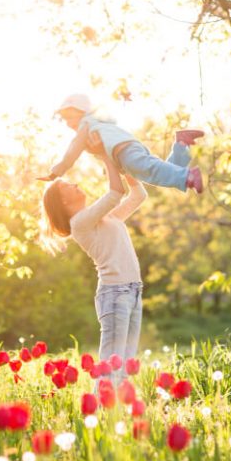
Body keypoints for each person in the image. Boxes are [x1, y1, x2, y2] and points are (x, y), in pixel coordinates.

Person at [41, 152, 146, 388]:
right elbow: (114, 193)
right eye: (68, 185)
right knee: (111, 365)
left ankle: (117, 418)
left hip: (133, 292)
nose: (75, 183)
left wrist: (124, 169)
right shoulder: (80, 224)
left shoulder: (107, 218)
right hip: (115, 294)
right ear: (63, 201)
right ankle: (100, 416)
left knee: (125, 365)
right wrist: (108, 158)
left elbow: (139, 195)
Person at [38, 93, 204, 193]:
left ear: (81, 112)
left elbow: (72, 151)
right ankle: (182, 145)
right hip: (127, 150)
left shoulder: (86, 124)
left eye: (69, 117)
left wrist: (56, 173)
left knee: (153, 171)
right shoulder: (97, 123)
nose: (68, 123)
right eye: (64, 120)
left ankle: (187, 176)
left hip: (125, 153)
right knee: (160, 173)